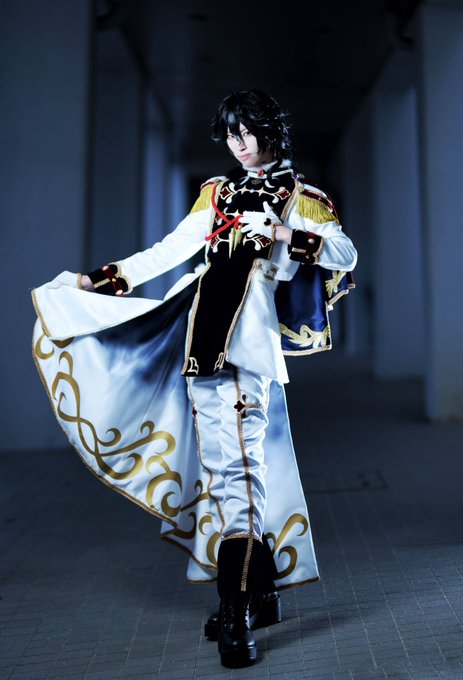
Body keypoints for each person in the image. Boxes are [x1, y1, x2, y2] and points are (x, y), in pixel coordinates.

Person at [32, 90, 357, 668]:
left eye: (246, 131)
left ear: (268, 130)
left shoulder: (300, 197)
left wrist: (284, 236)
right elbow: (169, 251)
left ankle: (236, 608)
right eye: (229, 133)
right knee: (227, 472)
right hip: (199, 337)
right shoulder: (217, 192)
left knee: (239, 475)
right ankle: (259, 594)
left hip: (248, 341)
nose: (237, 143)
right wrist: (98, 280)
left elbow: (345, 253)